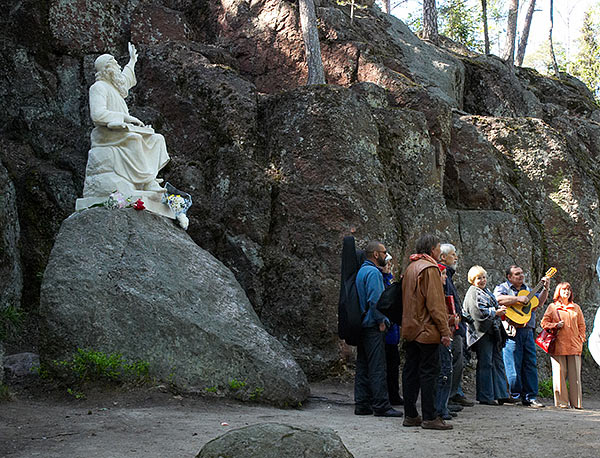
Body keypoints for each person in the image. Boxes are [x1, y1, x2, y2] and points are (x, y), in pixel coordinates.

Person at [76, 43, 172, 217]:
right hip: (107, 134)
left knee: (157, 139)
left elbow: (125, 80)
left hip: (121, 131)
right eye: (114, 64)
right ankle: (146, 180)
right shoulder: (98, 88)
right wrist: (126, 118)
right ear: (106, 69)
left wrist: (132, 61)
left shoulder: (114, 88)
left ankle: (147, 182)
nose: (118, 67)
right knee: (134, 140)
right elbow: (98, 115)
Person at [401, 234, 453, 430]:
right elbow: (435, 304)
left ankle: (411, 415)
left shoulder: (411, 267)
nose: (440, 251)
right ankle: (430, 417)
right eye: (439, 247)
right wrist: (444, 331)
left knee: (411, 372)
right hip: (426, 330)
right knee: (429, 373)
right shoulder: (430, 269)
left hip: (410, 328)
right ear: (432, 249)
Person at [354, 241, 402, 417]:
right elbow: (376, 301)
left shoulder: (361, 271)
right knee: (377, 366)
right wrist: (382, 320)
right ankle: (381, 404)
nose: (386, 255)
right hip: (373, 325)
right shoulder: (373, 273)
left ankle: (362, 404)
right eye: (384, 252)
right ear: (375, 254)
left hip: (362, 325)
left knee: (363, 365)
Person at [494, 265, 549, 408]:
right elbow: (498, 300)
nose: (521, 276)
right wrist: (518, 299)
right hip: (512, 330)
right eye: (517, 274)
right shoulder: (503, 288)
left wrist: (546, 288)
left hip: (528, 330)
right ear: (509, 277)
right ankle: (515, 395)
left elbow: (539, 303)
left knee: (530, 363)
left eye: (522, 273)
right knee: (513, 364)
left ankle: (530, 397)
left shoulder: (529, 289)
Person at [463, 266, 510, 405]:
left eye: (484, 277)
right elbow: (477, 313)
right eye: (479, 278)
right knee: (486, 363)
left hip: (493, 332)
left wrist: (498, 311)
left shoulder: (486, 291)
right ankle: (486, 395)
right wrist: (496, 312)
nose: (482, 280)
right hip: (482, 333)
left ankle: (501, 394)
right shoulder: (473, 292)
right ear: (472, 280)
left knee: (497, 362)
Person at [439, 243, 474, 409]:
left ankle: (454, 394)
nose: (456, 257)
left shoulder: (449, 277)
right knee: (452, 362)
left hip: (457, 325)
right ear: (443, 257)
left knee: (457, 361)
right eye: (453, 254)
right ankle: (448, 398)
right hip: (451, 326)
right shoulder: (441, 275)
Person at [540, 283, 586, 408]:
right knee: (559, 374)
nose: (567, 292)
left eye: (569, 290)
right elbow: (543, 323)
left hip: (574, 345)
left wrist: (582, 338)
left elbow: (582, 325)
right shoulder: (552, 307)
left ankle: (576, 403)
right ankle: (562, 403)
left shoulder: (576, 307)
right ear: (558, 292)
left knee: (575, 375)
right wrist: (555, 325)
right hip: (558, 345)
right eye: (564, 290)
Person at [434, 264, 458, 420]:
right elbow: (437, 315)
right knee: (444, 371)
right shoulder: (436, 294)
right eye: (443, 274)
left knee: (446, 371)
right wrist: (451, 320)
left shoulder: (440, 292)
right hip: (440, 336)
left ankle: (442, 407)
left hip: (445, 333)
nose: (445, 277)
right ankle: (439, 408)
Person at [382, 255, 403, 406]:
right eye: (387, 262)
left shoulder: (389, 280)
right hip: (386, 330)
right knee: (386, 365)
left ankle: (394, 394)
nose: (389, 265)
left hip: (392, 331)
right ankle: (388, 395)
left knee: (393, 365)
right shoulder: (381, 279)